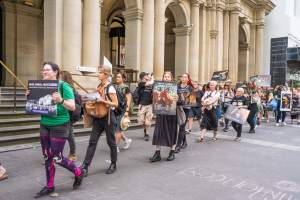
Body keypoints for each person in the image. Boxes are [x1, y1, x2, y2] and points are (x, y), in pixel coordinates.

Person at [29, 62, 84, 198]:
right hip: (45, 124)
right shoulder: (40, 86)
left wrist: (60, 100)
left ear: (56, 72)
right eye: (43, 70)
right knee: (47, 156)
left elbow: (72, 107)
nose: (44, 72)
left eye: (47, 70)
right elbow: (36, 105)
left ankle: (78, 171)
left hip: (60, 125)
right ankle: (50, 186)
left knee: (57, 157)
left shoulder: (63, 86)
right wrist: (29, 97)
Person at [81, 65, 119, 176]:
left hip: (108, 117)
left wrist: (102, 100)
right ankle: (85, 166)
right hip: (98, 117)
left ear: (106, 75)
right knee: (92, 141)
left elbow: (115, 104)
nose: (98, 74)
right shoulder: (99, 85)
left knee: (111, 142)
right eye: (99, 72)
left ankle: (113, 164)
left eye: (100, 73)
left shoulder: (110, 88)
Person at [150, 71, 178, 162]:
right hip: (161, 113)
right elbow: (155, 99)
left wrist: (178, 98)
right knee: (158, 132)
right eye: (165, 77)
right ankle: (157, 153)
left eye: (168, 77)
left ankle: (172, 152)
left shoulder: (175, 87)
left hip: (171, 114)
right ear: (163, 78)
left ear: (171, 78)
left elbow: (182, 101)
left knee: (171, 132)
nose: (166, 78)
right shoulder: (158, 87)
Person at [59, 70, 78, 161]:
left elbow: (72, 104)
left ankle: (73, 153)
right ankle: (56, 154)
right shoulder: (59, 87)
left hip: (68, 115)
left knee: (69, 135)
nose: (58, 78)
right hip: (60, 115)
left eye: (60, 76)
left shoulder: (69, 88)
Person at [175, 73, 194, 153]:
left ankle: (178, 146)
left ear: (188, 79)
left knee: (182, 126)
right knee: (180, 126)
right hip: (177, 108)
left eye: (185, 77)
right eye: (182, 76)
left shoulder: (190, 88)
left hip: (186, 109)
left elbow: (192, 100)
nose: (183, 78)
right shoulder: (177, 87)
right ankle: (185, 142)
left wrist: (184, 100)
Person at [114, 71, 132, 150]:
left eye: (119, 77)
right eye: (116, 77)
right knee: (118, 129)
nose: (117, 78)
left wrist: (127, 111)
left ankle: (115, 147)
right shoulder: (114, 87)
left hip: (123, 110)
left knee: (117, 130)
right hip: (115, 110)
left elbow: (129, 99)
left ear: (123, 78)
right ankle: (126, 140)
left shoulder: (126, 87)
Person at [137, 72, 154, 141]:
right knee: (141, 121)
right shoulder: (141, 84)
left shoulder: (152, 85)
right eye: (146, 77)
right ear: (142, 78)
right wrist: (152, 78)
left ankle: (147, 133)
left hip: (150, 104)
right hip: (142, 104)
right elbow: (150, 83)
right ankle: (145, 129)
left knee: (148, 120)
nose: (147, 78)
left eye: (148, 77)